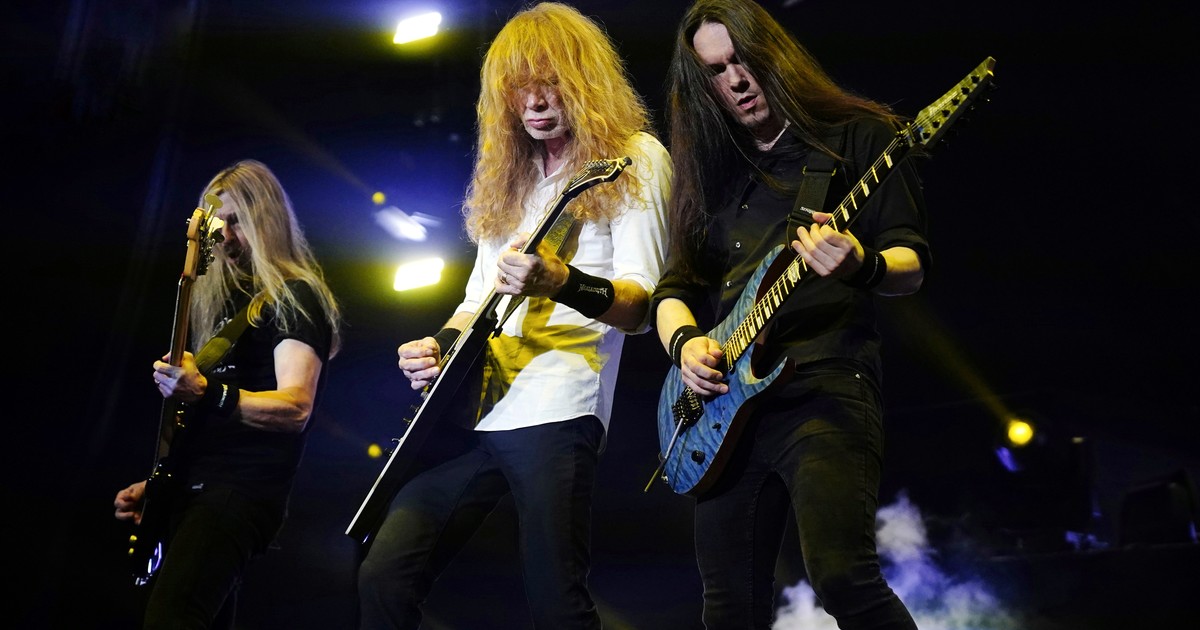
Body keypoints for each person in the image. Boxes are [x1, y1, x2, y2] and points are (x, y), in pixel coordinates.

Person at [354, 3, 671, 628]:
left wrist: (560, 280)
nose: (535, 100)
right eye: (518, 87)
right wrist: (437, 345)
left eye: (550, 81)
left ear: (585, 80)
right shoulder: (510, 176)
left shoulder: (633, 157)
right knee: (385, 574)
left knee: (556, 604)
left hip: (560, 405)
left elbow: (640, 306)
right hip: (476, 407)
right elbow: (476, 298)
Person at [652, 1, 929, 628]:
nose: (736, 81)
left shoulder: (859, 136)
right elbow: (673, 289)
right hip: (726, 411)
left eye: (743, 61)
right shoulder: (714, 173)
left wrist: (863, 264)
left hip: (825, 383)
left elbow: (911, 262)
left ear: (774, 56)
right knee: (729, 608)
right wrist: (686, 344)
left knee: (842, 577)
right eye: (716, 71)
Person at [114, 159, 343, 629]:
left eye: (238, 222)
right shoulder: (226, 304)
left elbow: (295, 407)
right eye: (218, 227)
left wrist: (206, 390)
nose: (227, 238)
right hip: (196, 492)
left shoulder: (294, 296)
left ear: (267, 220)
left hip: (237, 492)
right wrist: (161, 486)